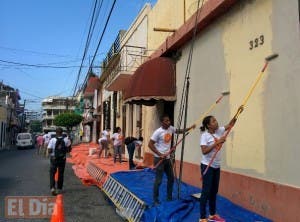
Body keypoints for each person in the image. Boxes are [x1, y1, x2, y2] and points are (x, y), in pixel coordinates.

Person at [199, 114, 240, 222]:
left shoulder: (219, 130)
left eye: (216, 120)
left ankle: (212, 215)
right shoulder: (205, 136)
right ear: (208, 125)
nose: (216, 122)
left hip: (216, 166)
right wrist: (217, 142)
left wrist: (237, 114)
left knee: (214, 191)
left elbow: (230, 124)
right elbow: (204, 151)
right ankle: (202, 217)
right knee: (206, 191)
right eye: (213, 121)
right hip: (207, 166)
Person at [148, 114, 195, 205]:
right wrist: (160, 154)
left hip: (168, 159)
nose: (168, 122)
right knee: (159, 180)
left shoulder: (171, 128)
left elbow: (178, 131)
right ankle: (155, 200)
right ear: (162, 122)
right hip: (159, 159)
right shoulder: (158, 132)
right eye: (166, 121)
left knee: (171, 178)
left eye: (169, 120)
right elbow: (150, 144)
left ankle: (169, 197)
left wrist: (189, 128)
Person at [47, 127, 71, 196]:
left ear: (56, 133)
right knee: (61, 174)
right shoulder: (66, 140)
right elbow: (69, 149)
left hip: (54, 159)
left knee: (52, 173)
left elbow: (49, 150)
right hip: (62, 159)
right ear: (62, 132)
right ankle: (59, 188)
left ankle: (52, 188)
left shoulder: (52, 140)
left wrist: (53, 152)